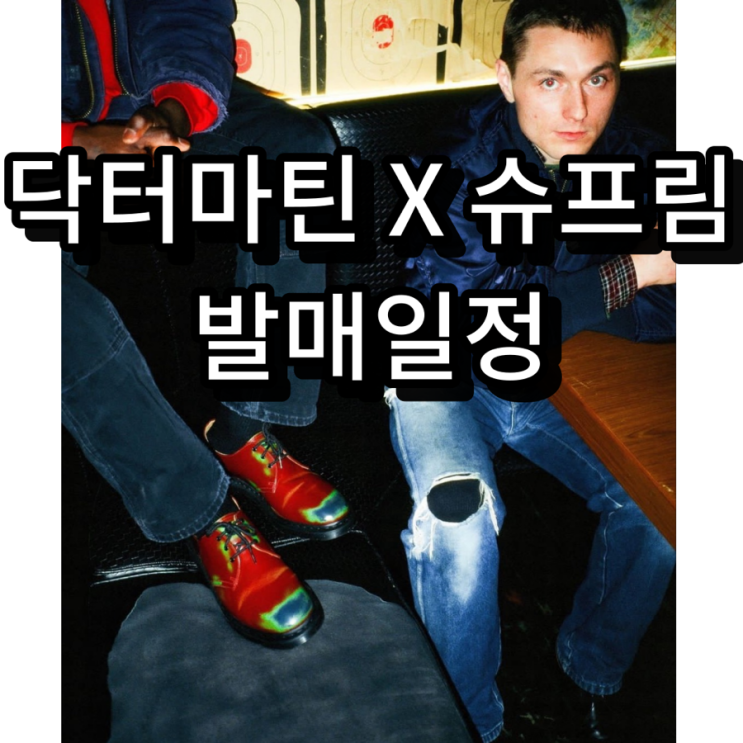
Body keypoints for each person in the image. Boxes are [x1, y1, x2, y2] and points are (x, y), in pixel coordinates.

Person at [385, 0, 676, 739]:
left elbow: (678, 307)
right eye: (550, 81)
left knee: (667, 508)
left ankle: (590, 666)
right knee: (456, 520)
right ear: (506, 79)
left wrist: (575, 300)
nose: (578, 109)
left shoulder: (640, 156)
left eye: (597, 79)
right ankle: (471, 723)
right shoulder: (453, 163)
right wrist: (630, 272)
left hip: (562, 382)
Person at [62, 0, 352, 648]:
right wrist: (68, 140)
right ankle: (202, 510)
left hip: (145, 99)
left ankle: (242, 429)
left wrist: (176, 110)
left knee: (299, 151)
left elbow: (187, 11)